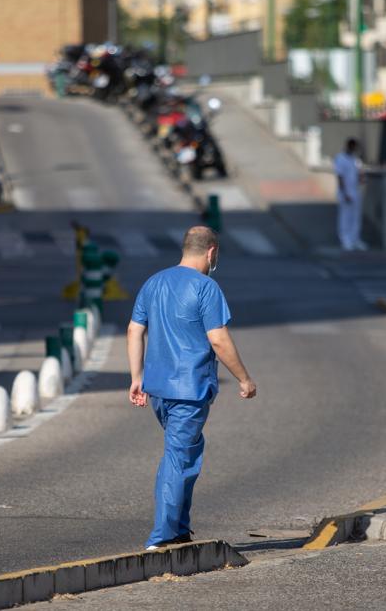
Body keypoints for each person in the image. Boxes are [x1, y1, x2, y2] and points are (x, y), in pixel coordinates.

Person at [127, 225, 258, 550]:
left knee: (185, 452)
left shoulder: (153, 282)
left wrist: (136, 377)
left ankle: (180, 529)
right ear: (212, 252)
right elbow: (218, 339)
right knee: (177, 457)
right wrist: (244, 377)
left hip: (158, 389)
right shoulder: (206, 288)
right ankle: (161, 536)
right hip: (190, 389)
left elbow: (134, 330)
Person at [334, 138, 367, 251]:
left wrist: (362, 178)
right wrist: (345, 193)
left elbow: (360, 174)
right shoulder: (340, 159)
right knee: (345, 216)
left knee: (356, 217)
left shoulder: (355, 160)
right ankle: (345, 239)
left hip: (356, 191)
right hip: (346, 192)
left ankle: (355, 239)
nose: (354, 150)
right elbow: (340, 177)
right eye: (353, 147)